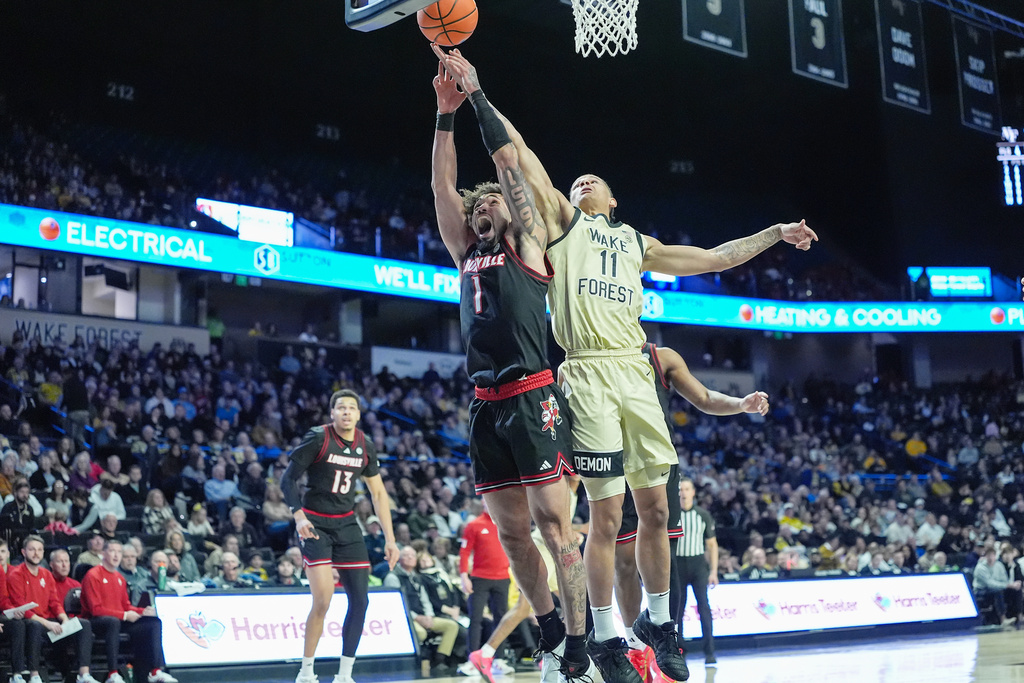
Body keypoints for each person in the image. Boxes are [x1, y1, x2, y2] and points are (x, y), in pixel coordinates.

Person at [435, 45, 815, 683]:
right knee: (604, 517)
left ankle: (661, 627)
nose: (581, 182)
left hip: (634, 370)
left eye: (593, 180)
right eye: (575, 180)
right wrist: (476, 92)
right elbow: (518, 156)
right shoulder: (557, 225)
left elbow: (717, 259)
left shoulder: (638, 243)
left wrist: (774, 232)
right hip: (581, 372)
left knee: (658, 511)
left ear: (613, 198)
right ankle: (605, 637)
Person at [429, 51, 592, 682]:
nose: (482, 210)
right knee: (515, 537)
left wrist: (474, 95)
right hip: (485, 406)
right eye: (478, 209)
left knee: (558, 531)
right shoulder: (465, 252)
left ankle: (579, 639)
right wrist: (442, 118)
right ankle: (551, 631)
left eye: (491, 204)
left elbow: (508, 162)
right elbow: (444, 187)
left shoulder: (527, 242)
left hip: (533, 394)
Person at [611, 343, 768, 675]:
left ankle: (664, 644)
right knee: (623, 563)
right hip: (613, 460)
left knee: (665, 565)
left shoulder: (662, 356)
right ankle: (633, 647)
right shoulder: (596, 351)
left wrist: (741, 404)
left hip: (656, 462)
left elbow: (706, 398)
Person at [282, 389, 400, 683]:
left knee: (360, 601)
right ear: (332, 413)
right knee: (323, 600)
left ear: (359, 415)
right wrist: (298, 516)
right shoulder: (318, 438)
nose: (347, 412)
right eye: (341, 408)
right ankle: (306, 672)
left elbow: (378, 493)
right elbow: (287, 480)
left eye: (352, 408)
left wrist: (390, 539)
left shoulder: (365, 445)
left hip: (347, 525)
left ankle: (344, 675)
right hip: (315, 523)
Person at [81, 540, 178, 683]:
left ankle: (156, 671)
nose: (116, 555)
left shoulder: (120, 578)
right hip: (96, 622)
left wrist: (143, 611)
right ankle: (112, 674)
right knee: (113, 622)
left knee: (153, 622)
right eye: (112, 551)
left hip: (119, 620)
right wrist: (125, 615)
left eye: (119, 552)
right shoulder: (93, 575)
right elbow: (96, 609)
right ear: (103, 554)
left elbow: (126, 605)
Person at [7, 535, 99, 683]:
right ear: (24, 552)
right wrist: (48, 624)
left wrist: (64, 620)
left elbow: (54, 603)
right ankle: (34, 675)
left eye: (39, 550)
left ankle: (84, 674)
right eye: (32, 550)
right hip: (30, 622)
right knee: (35, 625)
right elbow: (21, 607)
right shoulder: (15, 574)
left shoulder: (46, 574)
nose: (36, 553)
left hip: (50, 623)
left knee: (84, 624)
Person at [385, 546, 462, 676]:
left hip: (423, 616)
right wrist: (416, 617)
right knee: (420, 634)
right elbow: (397, 604)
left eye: (413, 555)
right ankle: (419, 663)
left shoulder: (416, 576)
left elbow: (425, 599)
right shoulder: (393, 577)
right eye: (406, 555)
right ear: (399, 559)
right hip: (405, 618)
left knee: (452, 626)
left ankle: (439, 661)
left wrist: (429, 615)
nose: (410, 558)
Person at [459, 498, 510, 656]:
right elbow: (464, 552)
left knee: (502, 620)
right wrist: (464, 576)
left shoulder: (505, 524)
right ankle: (472, 657)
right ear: (483, 502)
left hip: (502, 577)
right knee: (476, 619)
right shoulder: (474, 525)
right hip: (480, 578)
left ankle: (499, 659)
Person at [974, 546, 1021, 626]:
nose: (990, 557)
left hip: (999, 587)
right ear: (985, 556)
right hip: (981, 590)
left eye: (992, 555)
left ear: (995, 556)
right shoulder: (980, 567)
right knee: (998, 592)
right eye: (988, 555)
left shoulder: (999, 565)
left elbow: (1004, 580)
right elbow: (990, 584)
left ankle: (1019, 616)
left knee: (1016, 591)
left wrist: (1012, 585)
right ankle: (1003, 619)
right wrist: (1007, 585)